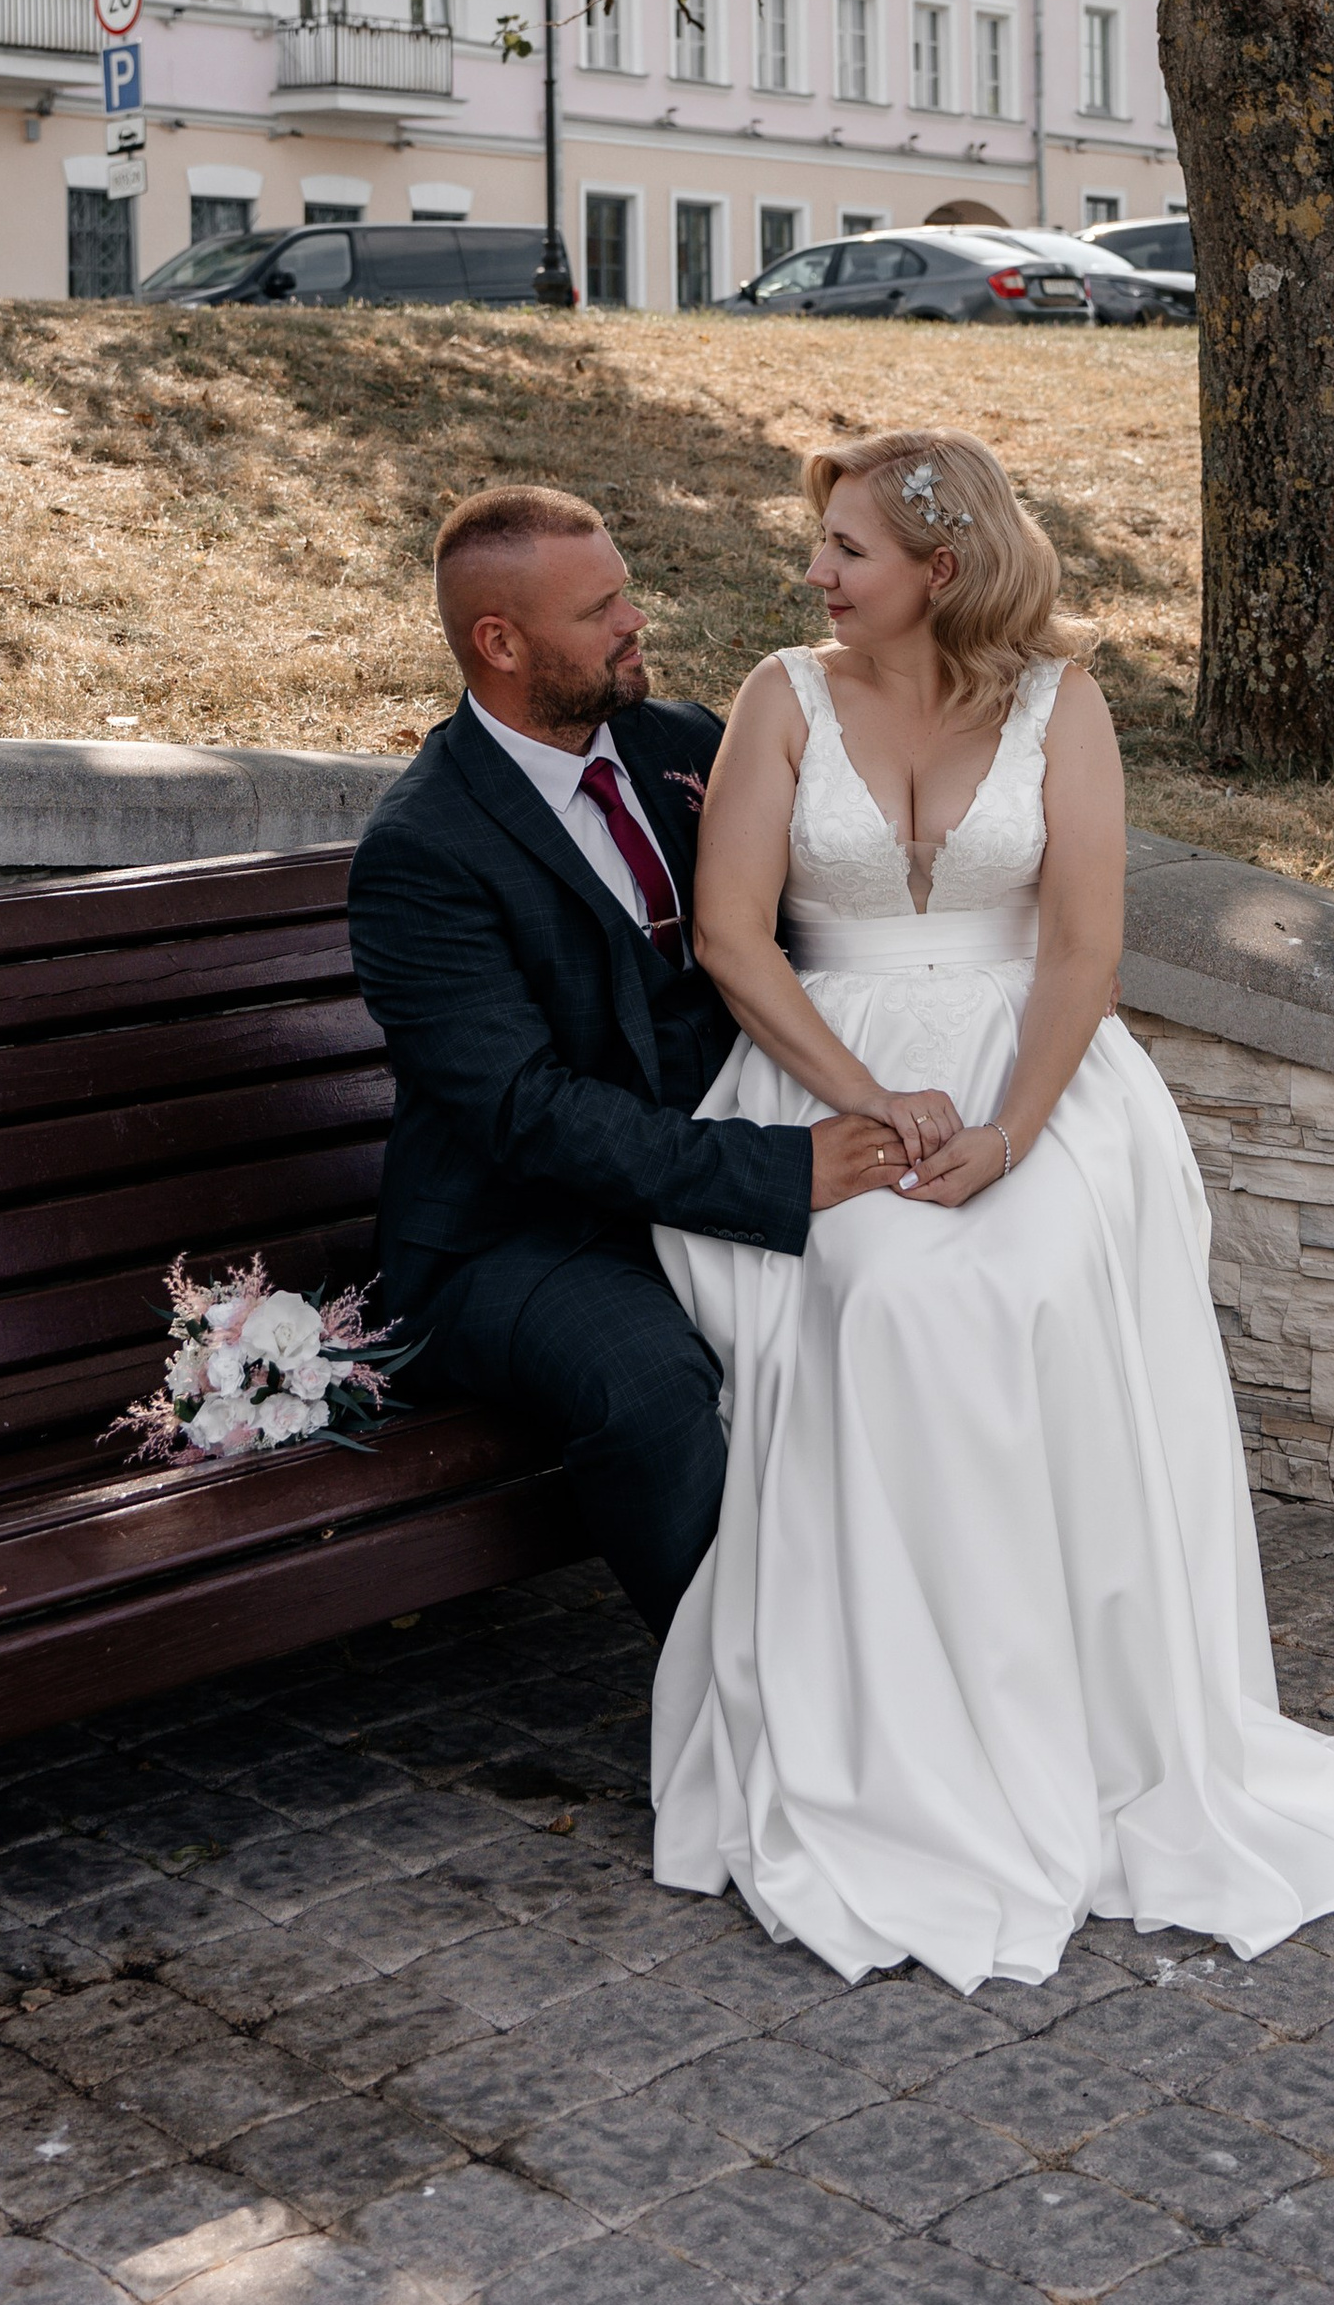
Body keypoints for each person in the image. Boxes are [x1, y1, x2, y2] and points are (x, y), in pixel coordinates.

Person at [652, 426, 1334, 1988]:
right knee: (883, 1294)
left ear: (944, 569)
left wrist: (1008, 1130)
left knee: (1043, 1279)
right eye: (823, 552)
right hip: (826, 1064)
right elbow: (733, 939)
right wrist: (862, 1097)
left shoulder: (1065, 708)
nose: (814, 576)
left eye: (847, 552)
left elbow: (1083, 954)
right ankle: (907, 1747)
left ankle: (1084, 1730)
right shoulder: (780, 699)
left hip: (1033, 1074)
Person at [346, 484, 912, 1634]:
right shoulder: (422, 850)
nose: (634, 621)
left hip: (700, 1177)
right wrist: (781, 1173)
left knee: (925, 1297)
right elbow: (524, 1113)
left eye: (626, 592)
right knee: (650, 1382)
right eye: (600, 608)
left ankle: (906, 1653)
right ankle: (747, 1710)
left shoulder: (686, 748)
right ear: (499, 644)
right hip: (517, 1237)